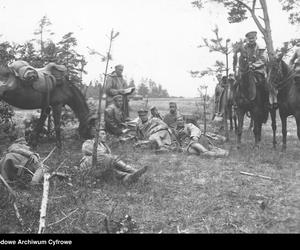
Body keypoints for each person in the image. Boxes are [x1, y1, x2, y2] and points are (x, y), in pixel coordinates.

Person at [80, 127, 148, 185]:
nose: (105, 135)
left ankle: (128, 177)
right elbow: (99, 154)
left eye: (105, 134)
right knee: (111, 158)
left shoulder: (105, 146)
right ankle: (133, 171)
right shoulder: (88, 143)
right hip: (89, 167)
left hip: (101, 167)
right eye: (102, 134)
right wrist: (110, 157)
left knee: (112, 170)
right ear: (96, 135)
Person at [233, 31, 276, 108]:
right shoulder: (244, 48)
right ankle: (236, 102)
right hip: (246, 70)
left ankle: (267, 101)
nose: (251, 40)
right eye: (249, 38)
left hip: (258, 70)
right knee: (236, 82)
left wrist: (254, 65)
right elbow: (239, 56)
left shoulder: (261, 47)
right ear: (247, 39)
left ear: (256, 38)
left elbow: (263, 59)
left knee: (265, 84)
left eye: (252, 38)